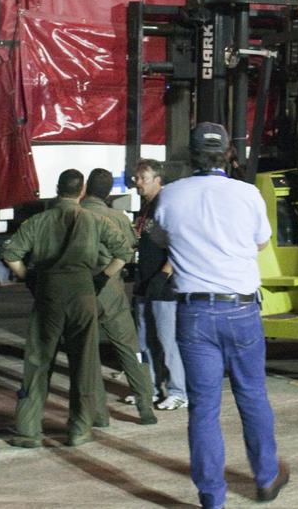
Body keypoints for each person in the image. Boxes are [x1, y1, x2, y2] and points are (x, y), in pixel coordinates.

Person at [153, 122, 289, 509]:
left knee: (204, 407)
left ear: (191, 155)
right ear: (229, 153)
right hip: (241, 307)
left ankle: (212, 498)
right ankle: (265, 477)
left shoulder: (169, 197)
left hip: (194, 313)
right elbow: (261, 242)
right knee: (252, 395)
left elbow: (161, 238)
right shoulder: (247, 195)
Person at [0, 168, 131, 447]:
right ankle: (79, 428)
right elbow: (124, 252)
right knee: (83, 360)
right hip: (83, 291)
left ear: (57, 188)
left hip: (49, 292)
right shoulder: (93, 220)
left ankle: (28, 429)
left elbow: (10, 254)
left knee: (38, 360)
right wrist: (101, 278)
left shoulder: (39, 221)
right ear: (81, 191)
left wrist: (29, 278)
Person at [82, 167, 158, 423]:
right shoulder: (118, 217)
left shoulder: (74, 214)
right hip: (111, 290)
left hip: (81, 290)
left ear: (86, 189)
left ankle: (99, 414)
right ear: (109, 192)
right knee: (129, 348)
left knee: (87, 353)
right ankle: (145, 405)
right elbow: (130, 248)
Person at [131, 159, 187, 410]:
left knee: (168, 340)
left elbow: (180, 244)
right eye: (137, 178)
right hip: (144, 283)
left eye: (143, 178)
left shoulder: (167, 205)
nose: (137, 183)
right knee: (144, 340)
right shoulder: (146, 208)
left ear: (158, 180)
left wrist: (164, 275)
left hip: (163, 287)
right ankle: (150, 388)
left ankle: (178, 391)